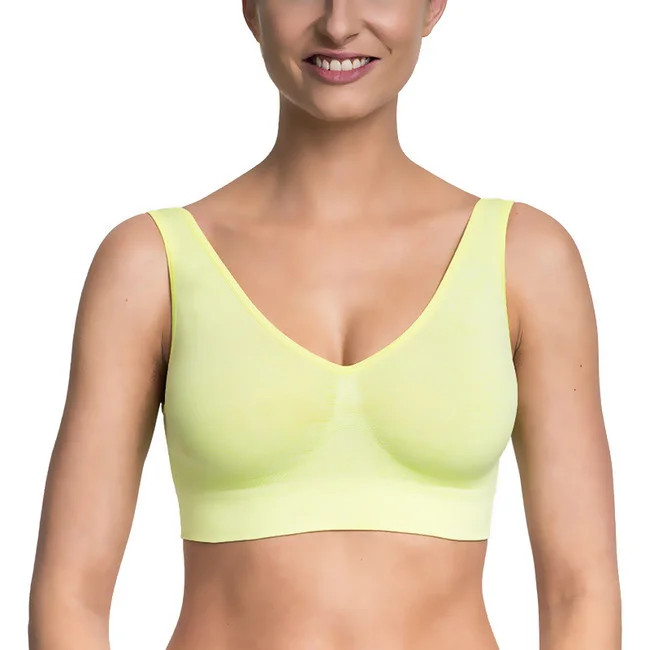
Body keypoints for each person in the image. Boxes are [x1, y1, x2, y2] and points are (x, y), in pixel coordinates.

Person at [28, 1, 622, 648]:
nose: (338, 24)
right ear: (251, 8)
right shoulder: (150, 265)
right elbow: (70, 594)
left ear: (432, 7)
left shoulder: (525, 259)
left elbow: (580, 591)